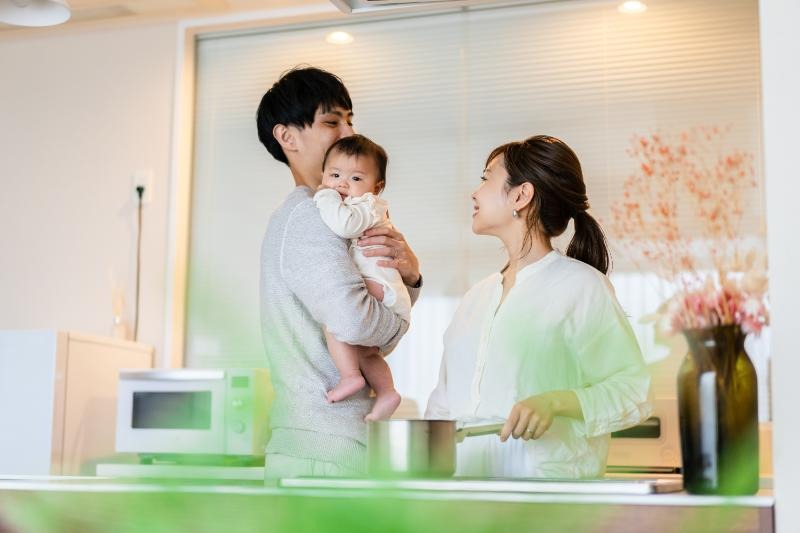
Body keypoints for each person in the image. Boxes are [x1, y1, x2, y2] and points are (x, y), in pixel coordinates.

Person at [425, 135, 651, 479]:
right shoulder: (475, 298)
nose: (474, 192)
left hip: (546, 496)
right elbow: (442, 406)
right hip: (464, 497)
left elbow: (633, 391)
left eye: (486, 178)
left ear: (521, 195)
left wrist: (554, 402)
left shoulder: (581, 286)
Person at [257, 67, 423, 479]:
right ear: (287, 137)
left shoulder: (333, 215)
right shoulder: (311, 215)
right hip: (322, 448)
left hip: (325, 444)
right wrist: (399, 322)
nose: (349, 132)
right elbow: (356, 324)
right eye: (332, 122)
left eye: (350, 119)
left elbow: (363, 329)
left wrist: (409, 277)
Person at [314, 134, 408, 420]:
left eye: (355, 178)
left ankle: (350, 376)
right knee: (368, 353)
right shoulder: (360, 204)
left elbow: (344, 226)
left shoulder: (369, 205)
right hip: (386, 288)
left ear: (376, 187)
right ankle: (387, 392)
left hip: (380, 285)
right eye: (334, 175)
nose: (342, 184)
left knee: (335, 317)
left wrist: (325, 195)